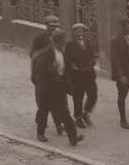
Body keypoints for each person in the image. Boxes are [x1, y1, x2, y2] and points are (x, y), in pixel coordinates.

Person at [31, 18, 83, 146]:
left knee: (65, 112)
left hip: (59, 86)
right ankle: (40, 133)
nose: (63, 43)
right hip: (48, 86)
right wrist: (51, 69)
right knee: (44, 110)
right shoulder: (45, 53)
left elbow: (66, 66)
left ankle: (73, 137)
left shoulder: (61, 52)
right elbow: (39, 70)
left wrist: (72, 68)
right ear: (56, 41)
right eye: (62, 41)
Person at [66, 23, 98, 128]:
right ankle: (78, 117)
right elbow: (68, 60)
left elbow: (93, 56)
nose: (80, 34)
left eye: (82, 32)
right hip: (77, 76)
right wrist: (73, 66)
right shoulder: (70, 45)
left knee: (93, 94)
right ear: (74, 33)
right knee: (78, 97)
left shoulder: (88, 44)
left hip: (89, 74)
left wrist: (92, 62)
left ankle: (86, 113)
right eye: (78, 32)